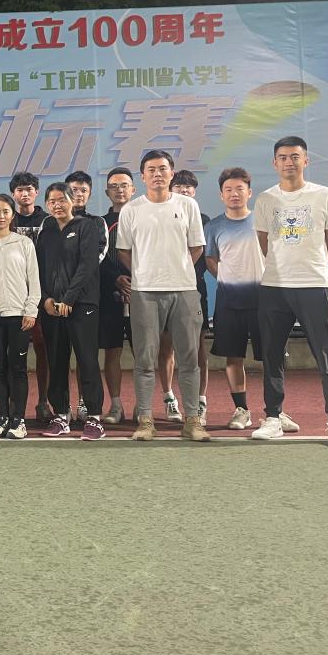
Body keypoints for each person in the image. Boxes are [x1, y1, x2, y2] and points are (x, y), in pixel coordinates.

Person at [253, 136, 328, 446]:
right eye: (283, 157)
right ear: (275, 163)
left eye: (295, 156)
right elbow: (265, 243)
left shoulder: (325, 196)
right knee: (271, 356)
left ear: (306, 161)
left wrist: (311, 267)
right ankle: (273, 417)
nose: (289, 162)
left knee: (327, 356)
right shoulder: (265, 199)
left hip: (314, 286)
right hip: (274, 287)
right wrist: (284, 267)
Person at [115, 149, 209, 442]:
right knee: (145, 359)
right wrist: (145, 272)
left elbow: (197, 247)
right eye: (151, 170)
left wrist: (176, 270)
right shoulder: (131, 209)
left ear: (172, 173)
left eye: (163, 169)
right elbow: (123, 251)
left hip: (185, 291)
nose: (157, 174)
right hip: (144, 292)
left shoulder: (188, 205)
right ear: (142, 177)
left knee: (189, 358)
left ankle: (192, 421)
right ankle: (145, 421)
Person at [205, 168, 300, 433]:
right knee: (233, 357)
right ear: (221, 195)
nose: (234, 194)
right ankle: (242, 410)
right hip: (228, 302)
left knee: (272, 357)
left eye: (239, 189)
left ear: (249, 192)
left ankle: (275, 412)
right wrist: (227, 278)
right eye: (228, 190)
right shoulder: (213, 227)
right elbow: (211, 259)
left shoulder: (264, 221)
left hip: (265, 300)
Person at [36, 183, 106, 439]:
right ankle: (61, 415)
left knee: (87, 360)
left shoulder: (87, 227)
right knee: (56, 361)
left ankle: (95, 418)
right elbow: (39, 269)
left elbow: (88, 265)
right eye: (52, 201)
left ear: (72, 200)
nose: (57, 205)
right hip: (52, 309)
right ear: (47, 205)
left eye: (61, 200)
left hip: (82, 305)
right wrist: (45, 299)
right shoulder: (46, 232)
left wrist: (69, 298)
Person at [0, 194, 39, 439]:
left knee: (18, 369)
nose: (1, 216)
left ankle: (19, 420)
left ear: (12, 215)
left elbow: (34, 280)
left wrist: (31, 310)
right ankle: (3, 417)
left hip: (20, 316)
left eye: (5, 211)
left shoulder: (24, 243)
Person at [156, 170, 211, 424]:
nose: (184, 190)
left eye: (189, 186)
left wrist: (184, 273)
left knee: (197, 349)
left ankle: (200, 401)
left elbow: (204, 254)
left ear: (195, 191)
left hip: (193, 291)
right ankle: (169, 398)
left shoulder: (204, 220)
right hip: (163, 290)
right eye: (179, 186)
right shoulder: (159, 216)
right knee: (166, 347)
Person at [61, 169, 110, 423]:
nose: (78, 194)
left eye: (83, 190)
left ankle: (87, 405)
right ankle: (61, 409)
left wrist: (72, 286)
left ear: (89, 194)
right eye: (73, 190)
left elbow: (95, 258)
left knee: (86, 357)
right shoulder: (52, 223)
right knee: (58, 357)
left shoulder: (97, 223)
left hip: (86, 299)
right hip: (57, 301)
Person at [9, 170, 51, 422]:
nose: (25, 194)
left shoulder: (48, 220)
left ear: (36, 192)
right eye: (20, 190)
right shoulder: (7, 220)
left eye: (29, 189)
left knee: (44, 351)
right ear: (13, 194)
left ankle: (43, 401)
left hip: (42, 297)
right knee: (15, 352)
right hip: (14, 297)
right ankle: (14, 404)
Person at [99, 167, 135, 425]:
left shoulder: (144, 217)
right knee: (112, 352)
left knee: (144, 354)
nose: (119, 190)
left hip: (140, 295)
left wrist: (136, 283)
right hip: (110, 297)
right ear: (107, 192)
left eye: (124, 185)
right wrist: (116, 279)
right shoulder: (100, 223)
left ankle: (143, 406)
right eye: (114, 186)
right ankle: (116, 405)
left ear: (133, 189)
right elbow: (98, 258)